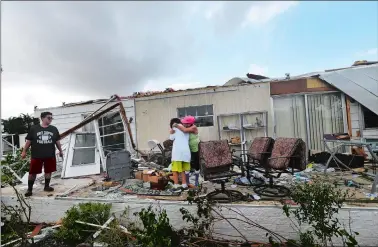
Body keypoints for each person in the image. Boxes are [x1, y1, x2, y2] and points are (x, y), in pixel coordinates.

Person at [21, 112, 63, 197]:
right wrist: (24, 151)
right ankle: (29, 189)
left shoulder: (54, 129)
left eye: (51, 118)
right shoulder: (34, 128)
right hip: (37, 155)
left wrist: (61, 151)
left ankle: (46, 186)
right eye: (48, 118)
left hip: (50, 154)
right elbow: (29, 141)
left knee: (49, 171)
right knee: (33, 172)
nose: (50, 119)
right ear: (42, 118)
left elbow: (57, 141)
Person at [172, 116, 200, 186]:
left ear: (190, 124)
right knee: (187, 165)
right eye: (184, 123)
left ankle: (197, 181)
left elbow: (184, 130)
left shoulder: (193, 127)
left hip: (195, 149)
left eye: (186, 123)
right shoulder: (185, 127)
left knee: (196, 165)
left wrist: (176, 125)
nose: (184, 124)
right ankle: (187, 182)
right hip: (188, 149)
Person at [169, 118, 191, 191]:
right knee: (183, 170)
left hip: (177, 153)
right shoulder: (186, 129)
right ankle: (184, 185)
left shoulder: (175, 129)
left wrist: (172, 130)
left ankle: (176, 186)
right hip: (186, 153)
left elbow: (171, 138)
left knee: (175, 170)